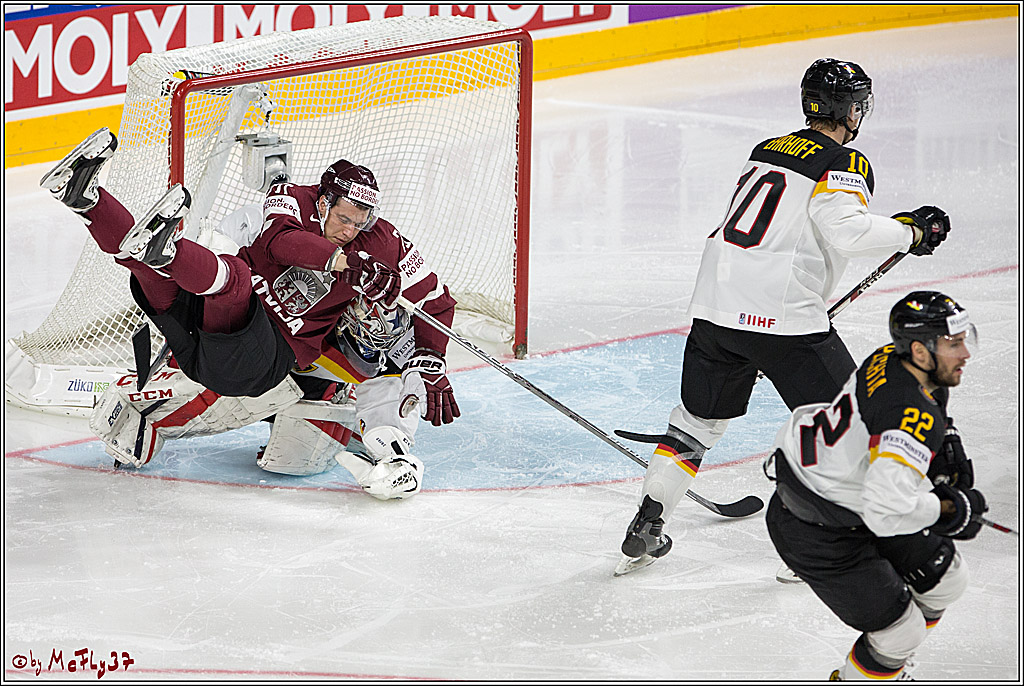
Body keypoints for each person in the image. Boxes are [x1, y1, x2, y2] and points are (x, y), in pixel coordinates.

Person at [615, 58, 953, 577]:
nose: (862, 111)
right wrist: (911, 231)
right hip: (784, 317)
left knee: (694, 425)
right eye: (858, 102)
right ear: (845, 109)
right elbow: (847, 231)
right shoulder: (846, 160)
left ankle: (649, 517)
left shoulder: (766, 150)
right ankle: (822, 548)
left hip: (716, 307)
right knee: (847, 425)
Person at [41, 127, 461, 499]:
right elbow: (281, 242)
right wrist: (345, 262)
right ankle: (84, 197)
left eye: (361, 222)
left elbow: (438, 302)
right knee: (149, 265)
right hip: (210, 328)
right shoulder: (290, 196)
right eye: (345, 218)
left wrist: (432, 356)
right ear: (324, 201)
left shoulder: (386, 248)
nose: (352, 231)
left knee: (228, 281)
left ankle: (170, 252)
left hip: (256, 358)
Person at [765, 291, 986, 680]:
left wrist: (945, 435)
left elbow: (907, 411)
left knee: (947, 581)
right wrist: (949, 510)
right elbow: (886, 514)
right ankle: (877, 669)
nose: (965, 353)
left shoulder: (891, 356)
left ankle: (886, 666)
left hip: (844, 493)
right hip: (815, 528)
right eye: (954, 343)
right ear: (920, 351)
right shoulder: (910, 415)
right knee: (901, 632)